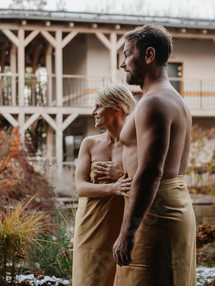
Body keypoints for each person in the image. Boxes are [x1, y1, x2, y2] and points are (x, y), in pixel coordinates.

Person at [112, 25, 197, 285]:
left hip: (155, 214)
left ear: (149, 55)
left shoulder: (153, 102)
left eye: (127, 54)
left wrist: (128, 231)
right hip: (169, 206)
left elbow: (151, 172)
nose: (122, 64)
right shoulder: (173, 99)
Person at [72, 84, 136, 286]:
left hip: (122, 228)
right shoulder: (89, 143)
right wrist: (113, 187)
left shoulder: (136, 145)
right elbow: (81, 188)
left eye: (99, 106)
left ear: (117, 108)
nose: (93, 112)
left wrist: (123, 175)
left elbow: (150, 183)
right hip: (89, 225)